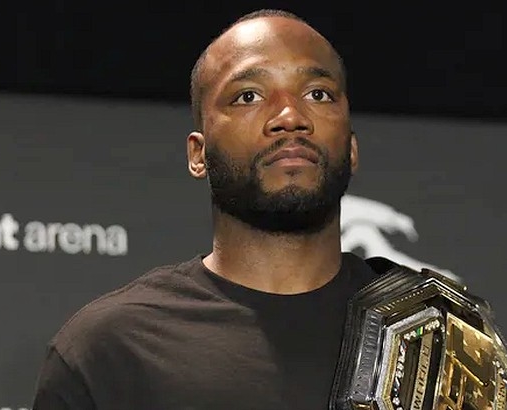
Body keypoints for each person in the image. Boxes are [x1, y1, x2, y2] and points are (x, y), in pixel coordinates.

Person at [31, 8, 382, 410]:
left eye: (317, 94)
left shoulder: (431, 329)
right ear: (198, 154)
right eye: (248, 96)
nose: (289, 117)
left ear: (351, 147)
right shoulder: (111, 352)